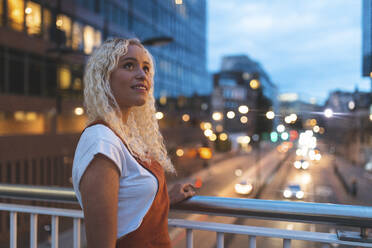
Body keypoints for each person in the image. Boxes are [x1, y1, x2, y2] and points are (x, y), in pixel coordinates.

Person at [72, 38, 196, 248]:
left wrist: (163, 197)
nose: (142, 74)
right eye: (129, 65)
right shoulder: (101, 141)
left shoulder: (126, 136)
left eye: (146, 68)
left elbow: (128, 203)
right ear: (104, 77)